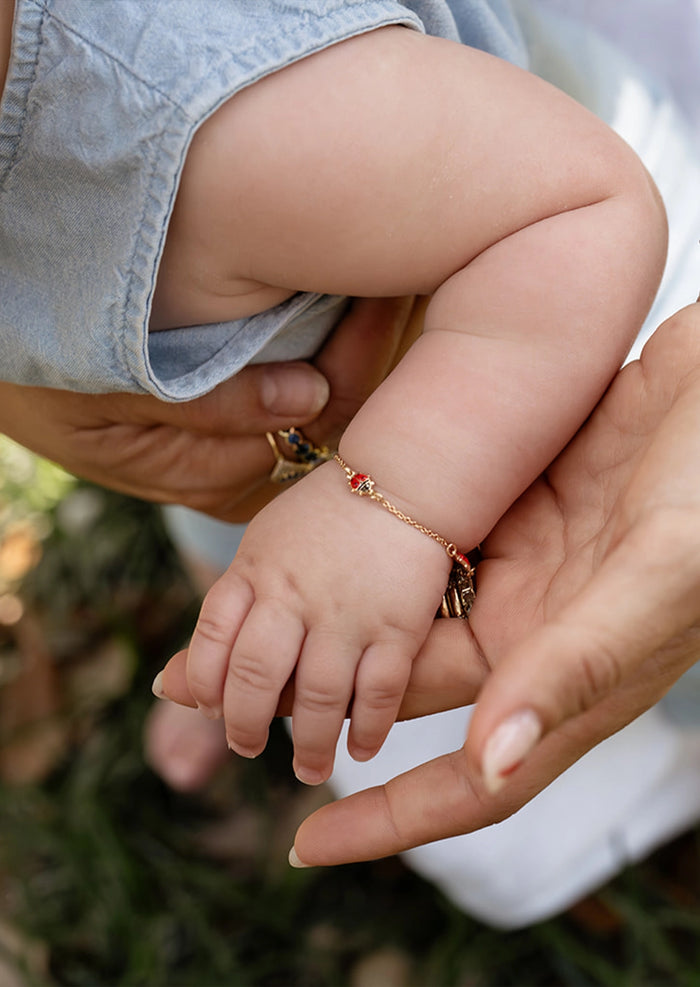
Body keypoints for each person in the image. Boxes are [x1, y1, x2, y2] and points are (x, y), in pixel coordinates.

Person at [0, 1, 666, 787]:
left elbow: (586, 209)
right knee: (244, 537)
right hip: (249, 379)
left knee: (579, 626)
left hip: (531, 347)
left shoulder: (228, 126)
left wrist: (385, 504)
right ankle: (248, 627)